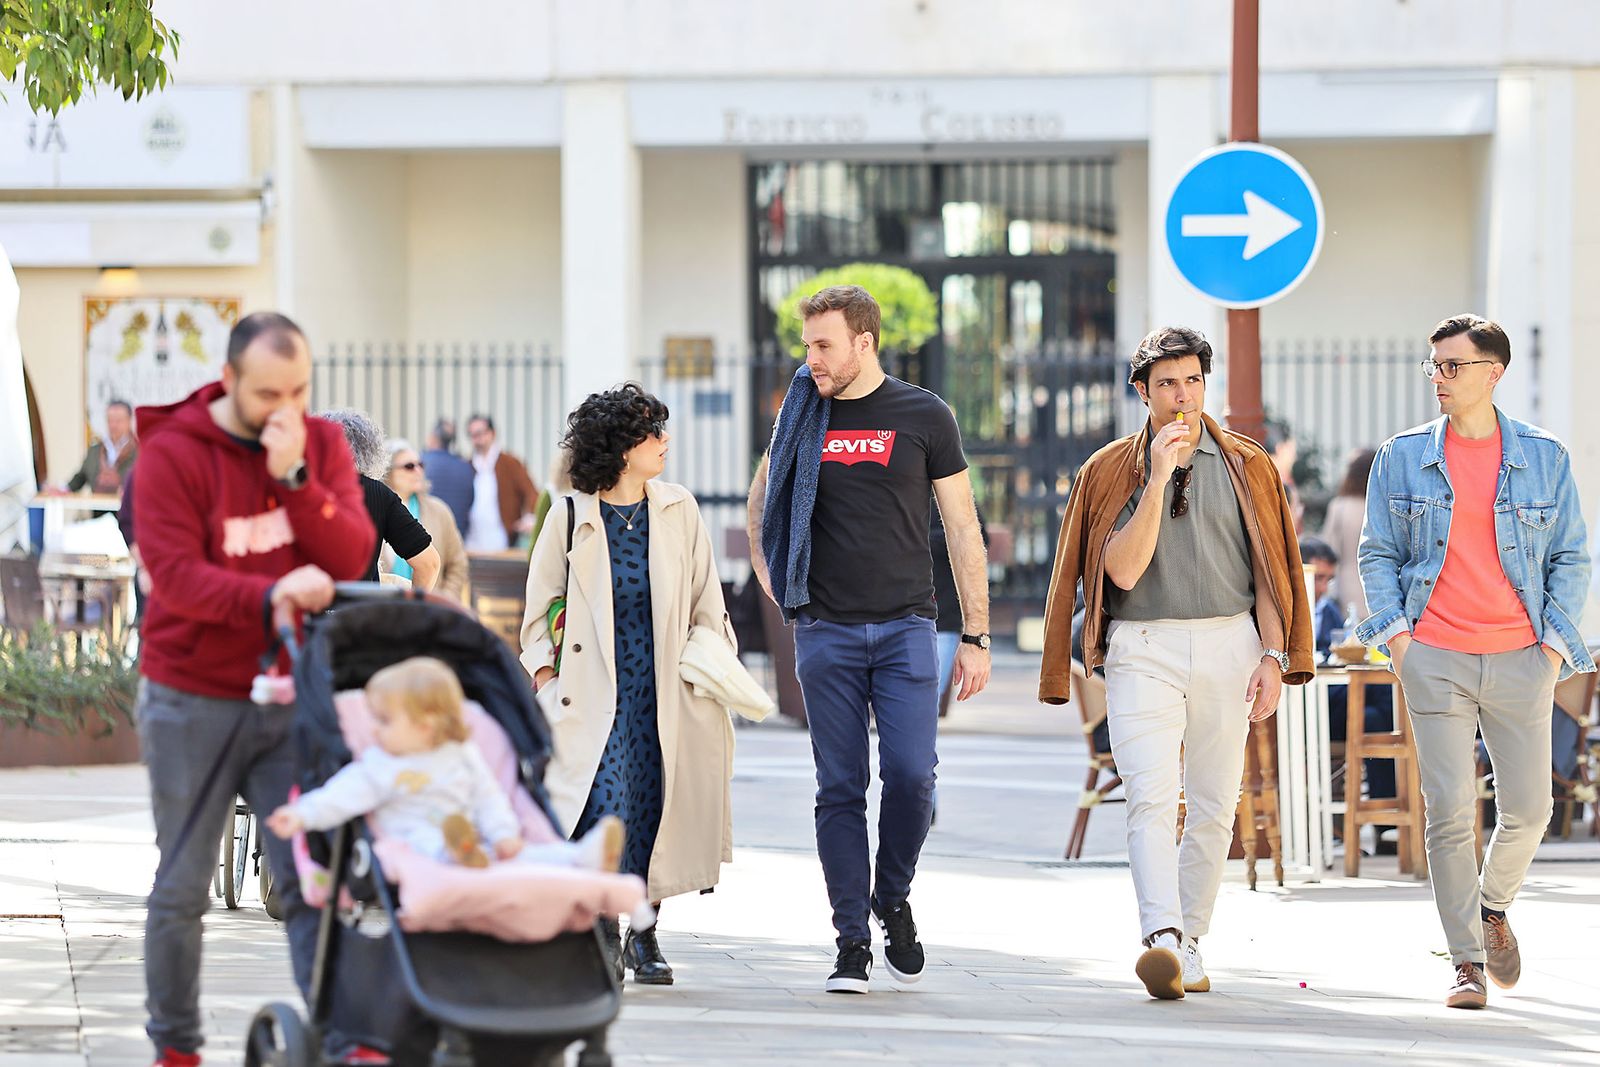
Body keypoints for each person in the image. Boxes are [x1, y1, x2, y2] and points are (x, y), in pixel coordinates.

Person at [130, 311, 377, 1067]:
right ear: (228, 379)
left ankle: (340, 1037)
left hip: (286, 696)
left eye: (299, 391)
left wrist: (297, 478)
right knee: (182, 886)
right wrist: (272, 595)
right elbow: (176, 579)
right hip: (191, 696)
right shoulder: (173, 454)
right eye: (268, 393)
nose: (285, 408)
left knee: (308, 877)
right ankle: (176, 1046)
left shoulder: (319, 444)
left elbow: (350, 552)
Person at [1038, 325, 1313, 1002]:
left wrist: (1273, 655)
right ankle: (1160, 933)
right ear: (1143, 392)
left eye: (1193, 381)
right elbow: (1122, 571)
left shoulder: (1247, 463)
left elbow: (1270, 570)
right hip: (1143, 646)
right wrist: (1159, 477)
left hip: (1231, 642)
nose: (1183, 396)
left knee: (1216, 805)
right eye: (1167, 384)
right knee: (1151, 796)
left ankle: (1189, 938)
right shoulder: (1111, 469)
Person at [747, 285, 992, 995]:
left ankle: (892, 894)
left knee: (913, 777)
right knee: (839, 786)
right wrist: (782, 590)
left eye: (824, 345)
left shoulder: (924, 414)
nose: (812, 360)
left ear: (865, 341)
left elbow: (963, 528)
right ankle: (851, 937)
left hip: (908, 626)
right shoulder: (802, 413)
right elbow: (763, 506)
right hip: (826, 630)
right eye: (807, 345)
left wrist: (976, 633)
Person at [1355, 314, 1594, 1010]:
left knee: (1531, 808)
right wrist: (1401, 642)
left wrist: (1552, 648)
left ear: (1494, 372)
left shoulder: (1544, 457)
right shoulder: (1401, 456)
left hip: (1523, 656)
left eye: (1452, 366)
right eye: (1433, 365)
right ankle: (1465, 960)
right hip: (1435, 655)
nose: (1439, 377)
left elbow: (1572, 556)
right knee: (1450, 812)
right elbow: (1377, 553)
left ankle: (1491, 906)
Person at [520, 384, 737, 987]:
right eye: (651, 432)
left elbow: (706, 601)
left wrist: (712, 664)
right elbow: (537, 614)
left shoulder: (678, 509)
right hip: (592, 695)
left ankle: (645, 933)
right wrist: (547, 683)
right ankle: (603, 930)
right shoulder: (569, 516)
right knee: (605, 807)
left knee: (652, 810)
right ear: (620, 447)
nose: (665, 441)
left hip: (662, 692)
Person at [266, 656, 626, 874]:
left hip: (474, 839)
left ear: (425, 725)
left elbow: (490, 797)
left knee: (525, 854)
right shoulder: (380, 764)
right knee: (425, 844)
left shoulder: (462, 754)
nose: (374, 730)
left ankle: (584, 855)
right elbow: (340, 795)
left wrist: (504, 834)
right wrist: (301, 814)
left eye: (384, 721)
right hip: (413, 844)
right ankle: (460, 854)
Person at [1300, 535, 1396, 805]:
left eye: (1328, 579)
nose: (1322, 587)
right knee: (1383, 695)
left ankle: (1384, 815)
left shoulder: (1328, 611)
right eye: (1318, 578)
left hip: (1335, 700)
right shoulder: (1288, 610)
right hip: (1305, 706)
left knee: (1375, 720)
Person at [321, 409, 441, 593]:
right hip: (360, 608)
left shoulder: (300, 491)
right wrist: (411, 608)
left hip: (307, 609)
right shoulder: (378, 494)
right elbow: (429, 564)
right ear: (369, 451)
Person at [383, 440, 469, 601]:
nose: (418, 471)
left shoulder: (439, 511)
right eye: (409, 466)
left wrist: (444, 599)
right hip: (384, 608)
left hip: (431, 609)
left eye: (421, 465)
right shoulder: (375, 510)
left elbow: (457, 563)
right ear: (388, 472)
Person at [464, 414, 539, 552]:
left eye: (480, 433)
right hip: (472, 540)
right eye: (472, 435)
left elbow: (530, 492)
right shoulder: (467, 465)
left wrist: (530, 517)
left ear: (492, 433)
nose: (477, 439)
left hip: (502, 539)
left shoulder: (509, 463)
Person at [1320, 448, 1377, 619]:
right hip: (1377, 586)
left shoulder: (1340, 506)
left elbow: (1329, 548)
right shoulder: (1381, 507)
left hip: (1347, 585)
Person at [51, 398, 138, 495]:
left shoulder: (139, 451)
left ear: (129, 420)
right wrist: (63, 489)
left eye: (118, 420)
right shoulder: (95, 450)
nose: (113, 425)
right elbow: (80, 478)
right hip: (98, 503)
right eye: (110, 420)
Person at [421, 418, 475, 535]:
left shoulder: (420, 463)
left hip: (428, 535)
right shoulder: (465, 467)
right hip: (458, 534)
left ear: (433, 437)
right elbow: (471, 501)